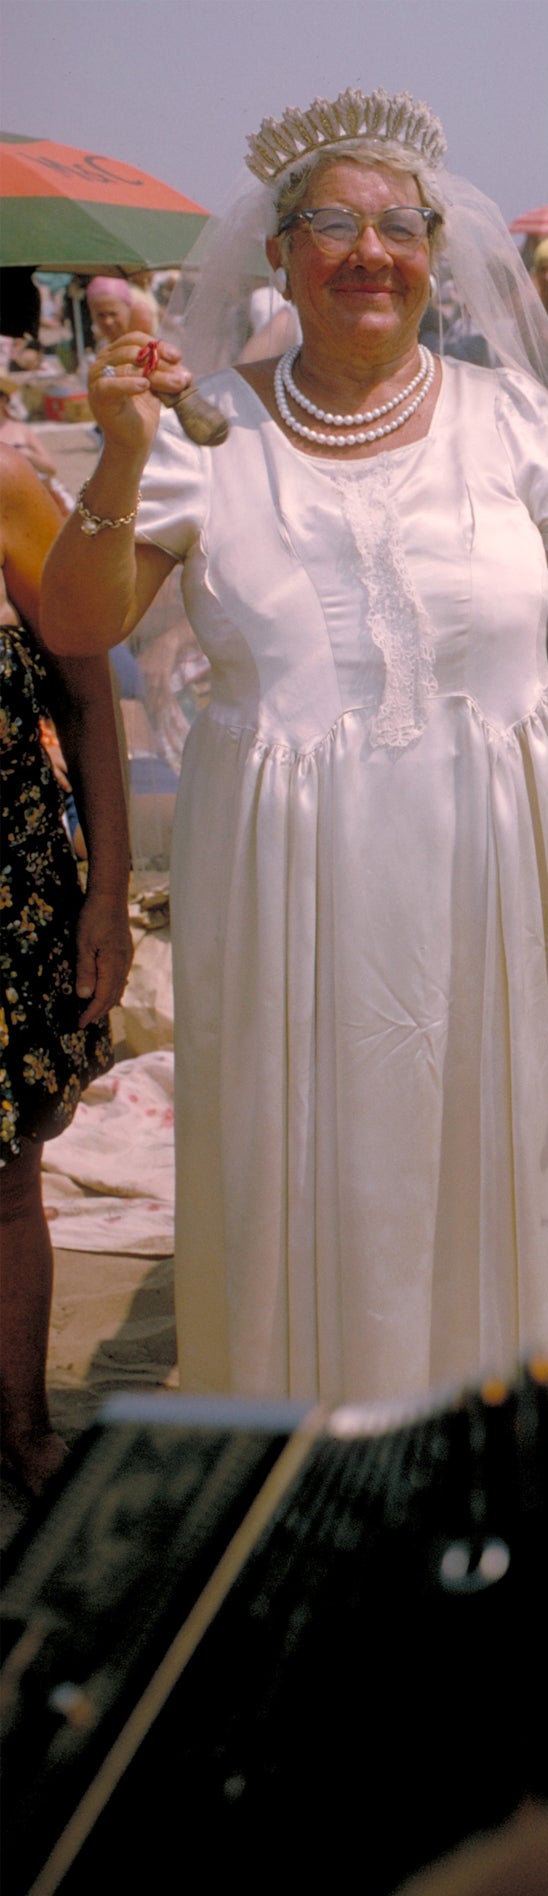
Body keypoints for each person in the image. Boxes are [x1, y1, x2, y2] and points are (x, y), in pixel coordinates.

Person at [40, 87, 548, 1407]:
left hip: (501, 865)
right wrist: (123, 460)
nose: (373, 254)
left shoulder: (516, 421)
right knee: (323, 1168)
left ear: (436, 249)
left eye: (400, 228)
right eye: (334, 227)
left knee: (508, 1149)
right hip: (293, 888)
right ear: (277, 256)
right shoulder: (202, 437)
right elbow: (80, 621)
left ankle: (510, 1444)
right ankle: (335, 1451)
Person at [1, 447, 132, 1497]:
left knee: (5, 1185)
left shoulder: (5, 488)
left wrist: (107, 895)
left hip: (9, 898)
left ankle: (23, 1428)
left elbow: (88, 701)